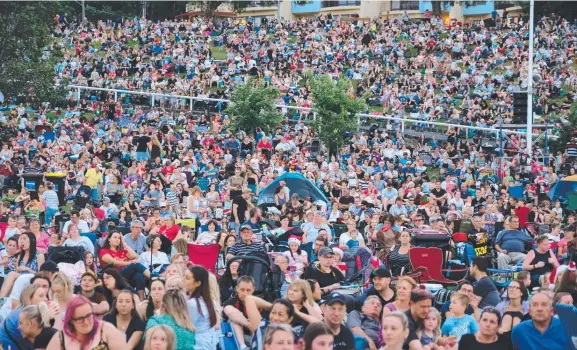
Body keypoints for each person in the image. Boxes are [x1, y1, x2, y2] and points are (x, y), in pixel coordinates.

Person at [46, 295, 127, 350]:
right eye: (80, 319)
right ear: (71, 321)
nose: (86, 322)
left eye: (89, 316)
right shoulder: (60, 338)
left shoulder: (106, 330)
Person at [99, 231, 150, 300]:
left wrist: (124, 243)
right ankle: (152, 277)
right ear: (109, 239)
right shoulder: (104, 251)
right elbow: (114, 262)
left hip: (126, 276)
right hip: (114, 276)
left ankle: (141, 300)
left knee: (139, 275)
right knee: (135, 265)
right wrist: (129, 263)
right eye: (115, 237)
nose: (117, 239)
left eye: (119, 238)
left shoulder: (122, 251)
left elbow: (136, 256)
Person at [0, 232, 45, 298]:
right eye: (21, 239)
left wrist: (27, 269)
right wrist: (16, 269)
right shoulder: (20, 256)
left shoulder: (39, 256)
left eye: (24, 238)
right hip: (20, 280)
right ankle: (5, 302)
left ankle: (1, 299)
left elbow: (41, 275)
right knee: (11, 278)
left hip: (32, 280)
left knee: (12, 274)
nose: (22, 241)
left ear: (32, 240)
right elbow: (16, 272)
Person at [185, 266, 220, 350]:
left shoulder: (192, 304)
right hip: (209, 344)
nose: (183, 280)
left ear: (197, 283)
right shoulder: (209, 301)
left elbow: (187, 327)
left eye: (187, 278)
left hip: (197, 345)